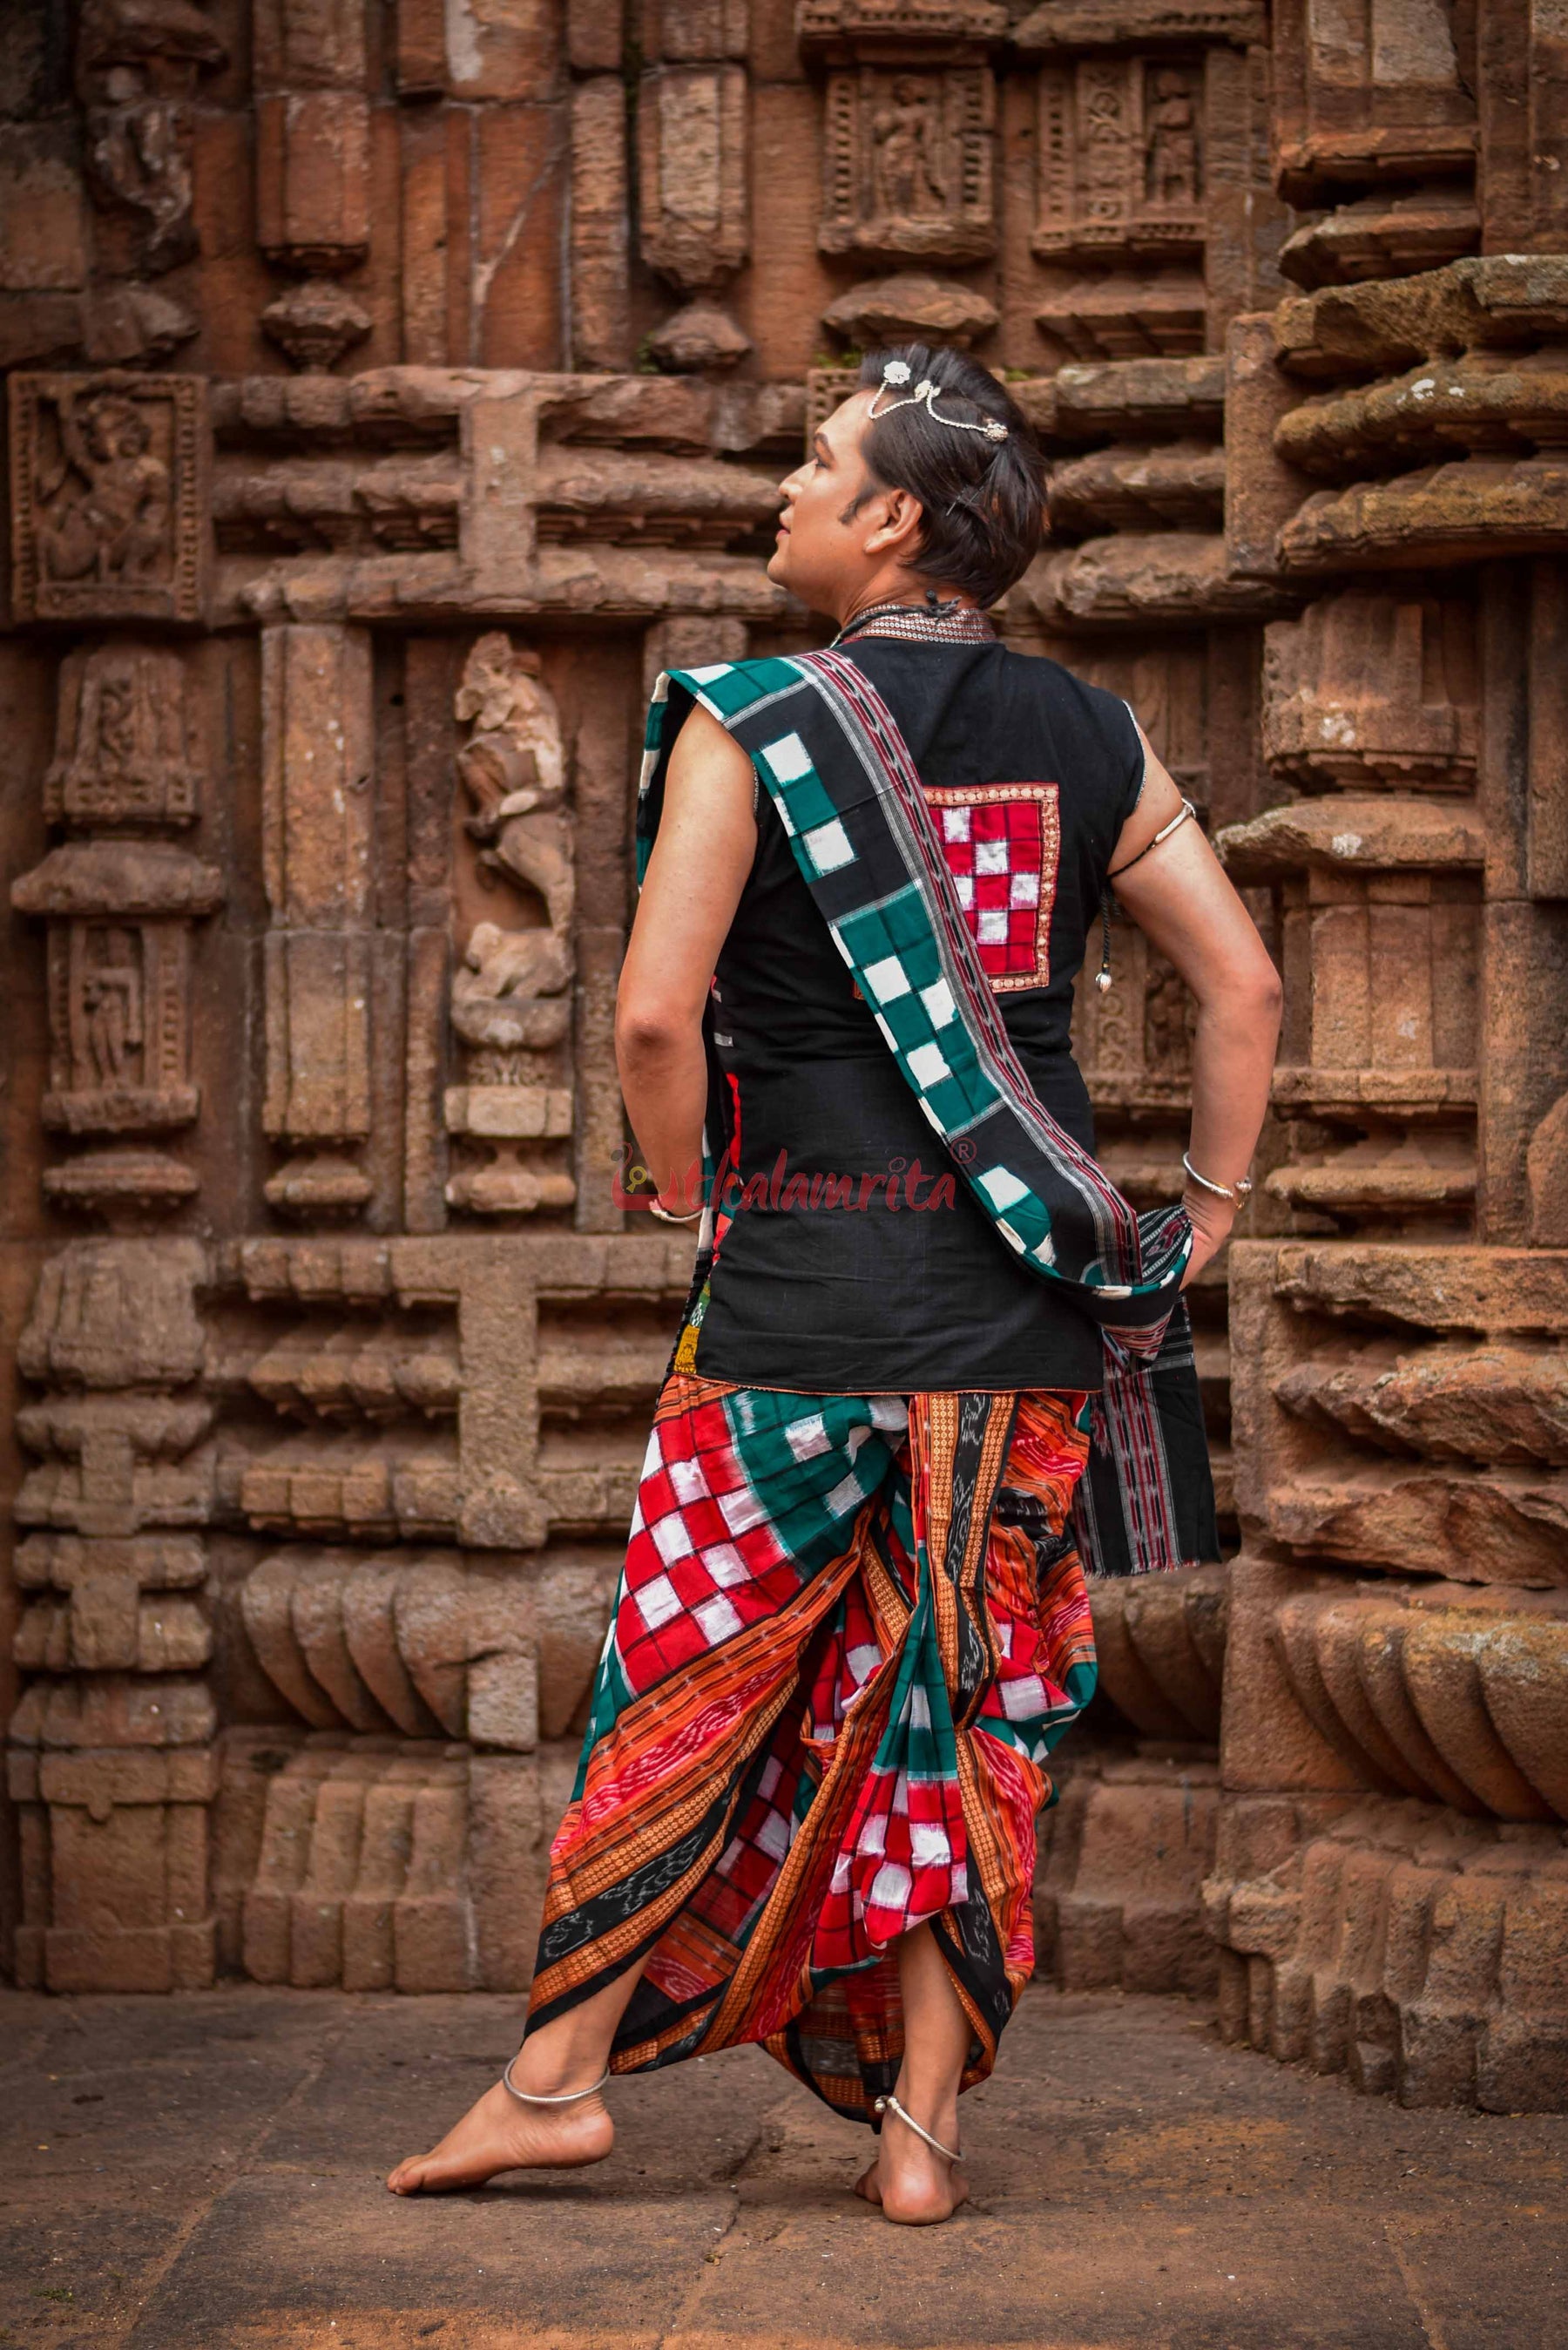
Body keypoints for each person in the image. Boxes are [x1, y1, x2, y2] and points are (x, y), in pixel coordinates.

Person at [389, 345, 1281, 2225]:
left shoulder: (752, 716)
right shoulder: (1093, 732)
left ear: (892, 517)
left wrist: (684, 1181)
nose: (785, 489)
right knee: (969, 1700)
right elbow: (1246, 989)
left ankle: (555, 2082)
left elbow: (650, 1008)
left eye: (813, 464)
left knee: (689, 1670)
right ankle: (921, 2139)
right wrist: (1203, 1206)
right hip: (1018, 1317)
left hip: (794, 1307)